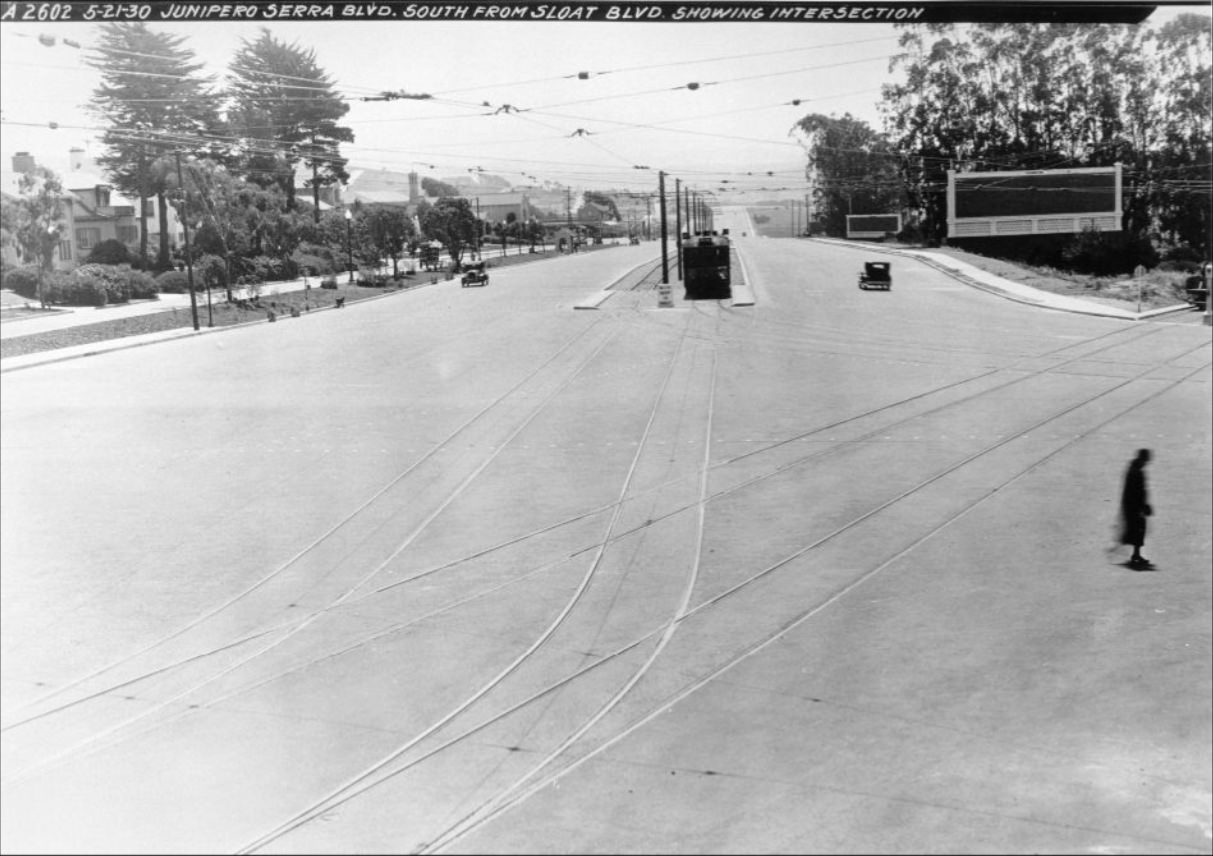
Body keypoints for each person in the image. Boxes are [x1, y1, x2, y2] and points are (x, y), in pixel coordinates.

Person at [1118, 448, 1154, 569]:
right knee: (1138, 530)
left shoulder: (1135, 468)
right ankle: (1136, 555)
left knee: (1138, 530)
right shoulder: (1136, 471)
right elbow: (1137, 492)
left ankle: (1136, 554)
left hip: (1133, 506)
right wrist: (1143, 506)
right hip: (1134, 507)